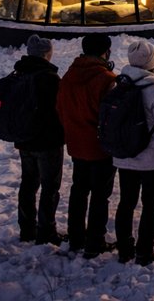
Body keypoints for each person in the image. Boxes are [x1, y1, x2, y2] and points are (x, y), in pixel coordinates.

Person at [57, 32, 117, 258]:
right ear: (105, 52)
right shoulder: (106, 80)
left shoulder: (67, 77)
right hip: (100, 148)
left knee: (79, 190)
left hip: (76, 144)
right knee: (100, 195)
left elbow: (60, 108)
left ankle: (75, 237)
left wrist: (72, 131)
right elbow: (112, 116)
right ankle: (95, 240)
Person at [113, 40, 154, 265]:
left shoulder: (119, 86)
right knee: (150, 205)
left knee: (126, 203)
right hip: (153, 159)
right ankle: (144, 251)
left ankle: (124, 249)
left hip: (125, 155)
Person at [13, 34, 66, 246]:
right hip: (47, 141)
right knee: (49, 187)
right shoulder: (50, 79)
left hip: (25, 139)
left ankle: (27, 228)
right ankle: (46, 230)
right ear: (46, 54)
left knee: (28, 183)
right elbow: (59, 109)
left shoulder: (18, 74)